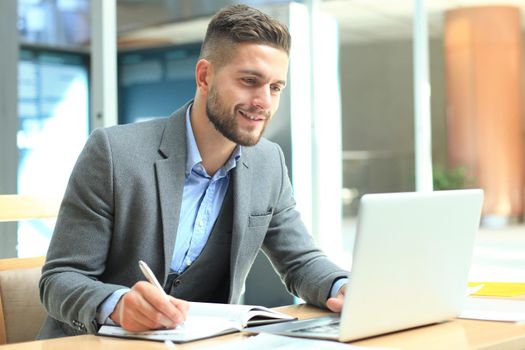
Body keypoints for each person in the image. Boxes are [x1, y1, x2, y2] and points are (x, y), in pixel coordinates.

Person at [37, 4, 348, 339]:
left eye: (275, 88)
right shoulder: (113, 153)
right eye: (249, 81)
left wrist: (342, 286)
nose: (264, 102)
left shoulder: (268, 163)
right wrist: (117, 304)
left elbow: (301, 260)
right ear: (204, 76)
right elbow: (60, 278)